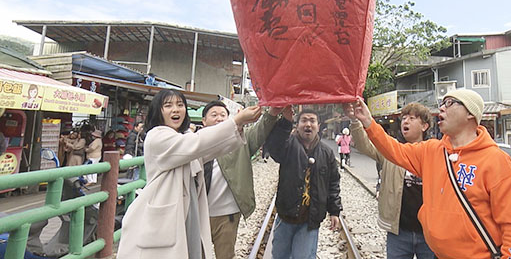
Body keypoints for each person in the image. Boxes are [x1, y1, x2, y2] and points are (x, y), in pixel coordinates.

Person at [347, 89, 511, 259]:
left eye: (450, 103)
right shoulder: (432, 150)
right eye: (442, 103)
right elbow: (394, 150)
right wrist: (368, 122)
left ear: (470, 113)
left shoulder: (495, 160)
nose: (441, 108)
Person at [116, 89, 262, 259]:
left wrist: (239, 125)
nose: (176, 109)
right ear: (158, 111)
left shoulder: (183, 136)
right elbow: (197, 143)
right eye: (168, 105)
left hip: (186, 212)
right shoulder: (157, 137)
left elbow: (210, 148)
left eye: (180, 105)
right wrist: (235, 121)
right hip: (166, 219)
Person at [344, 102, 435, 259]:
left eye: (412, 118)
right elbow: (365, 145)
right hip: (398, 231)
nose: (405, 121)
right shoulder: (390, 149)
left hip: (430, 233)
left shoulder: (435, 153)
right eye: (404, 118)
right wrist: (354, 121)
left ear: (424, 126)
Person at [200, 100, 280, 259]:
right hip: (198, 214)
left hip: (227, 214)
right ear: (203, 121)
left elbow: (260, 129)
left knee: (226, 255)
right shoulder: (194, 142)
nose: (219, 118)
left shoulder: (239, 140)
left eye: (223, 115)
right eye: (214, 115)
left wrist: (272, 112)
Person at [265, 107, 342, 259]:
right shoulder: (288, 146)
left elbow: (333, 183)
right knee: (280, 256)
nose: (308, 124)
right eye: (304, 120)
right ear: (297, 125)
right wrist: (285, 121)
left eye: (312, 121)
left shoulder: (326, 153)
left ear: (319, 126)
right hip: (285, 217)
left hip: (310, 221)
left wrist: (334, 211)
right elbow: (274, 148)